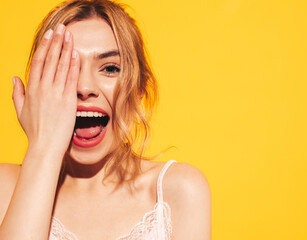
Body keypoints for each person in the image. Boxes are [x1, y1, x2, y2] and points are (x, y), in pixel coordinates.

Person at [0, 0, 211, 239]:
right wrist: (42, 148)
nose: (85, 87)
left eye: (110, 68)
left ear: (138, 91)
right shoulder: (5, 187)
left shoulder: (179, 190)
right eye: (65, 68)